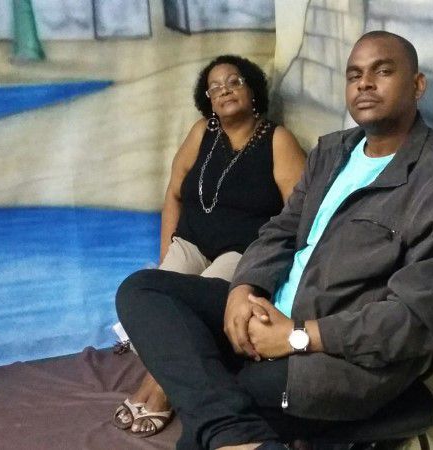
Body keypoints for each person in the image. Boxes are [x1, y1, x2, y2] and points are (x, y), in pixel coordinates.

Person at [116, 31, 433, 450]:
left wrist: (297, 335)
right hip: (271, 313)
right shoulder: (333, 153)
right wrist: (243, 290)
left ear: (417, 86)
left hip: (335, 359)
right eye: (354, 75)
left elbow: (414, 322)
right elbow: (280, 229)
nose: (365, 84)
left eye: (382, 71)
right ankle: (235, 437)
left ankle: (225, 432)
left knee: (206, 408)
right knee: (143, 290)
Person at [112, 55, 306, 438]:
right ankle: (165, 378)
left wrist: (274, 272)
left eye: (234, 82)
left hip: (242, 251)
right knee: (152, 298)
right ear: (208, 100)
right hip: (190, 242)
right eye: (214, 87)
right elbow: (173, 193)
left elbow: (300, 214)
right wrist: (168, 253)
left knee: (191, 312)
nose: (224, 90)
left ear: (252, 91)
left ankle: (159, 387)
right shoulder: (202, 132)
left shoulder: (278, 140)